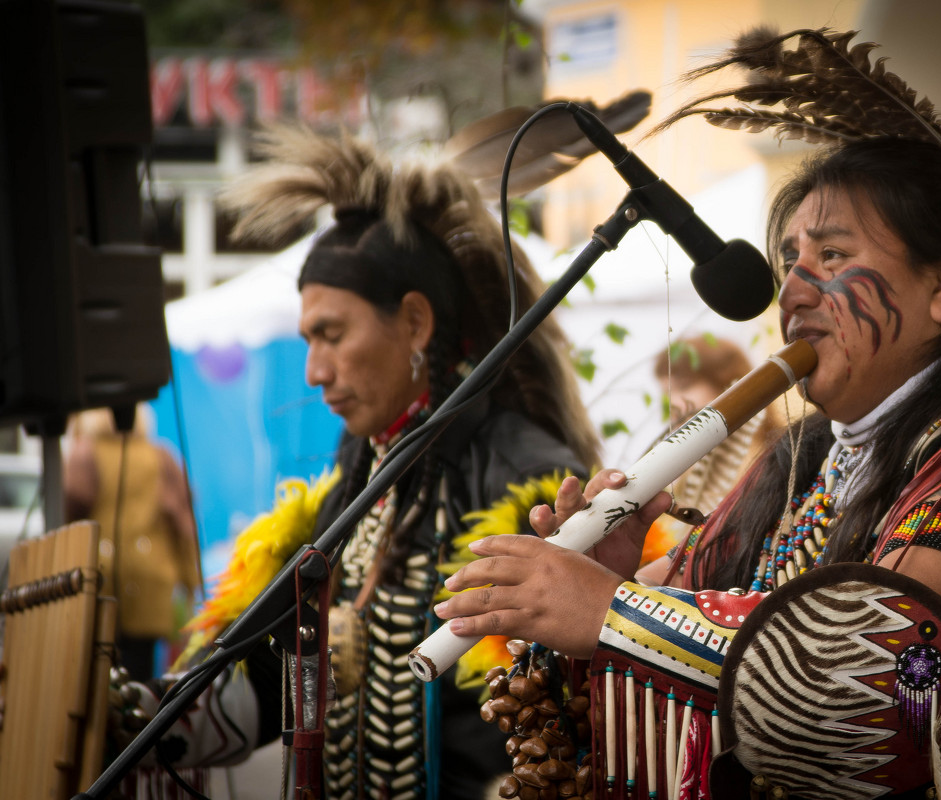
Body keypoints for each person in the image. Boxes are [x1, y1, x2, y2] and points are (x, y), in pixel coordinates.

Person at [435, 28, 941, 799]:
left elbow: (899, 681)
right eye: (792, 259)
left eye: (833, 257)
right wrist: (611, 575)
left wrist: (619, 614)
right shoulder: (809, 458)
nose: (792, 292)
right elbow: (686, 640)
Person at [120, 126, 601, 800]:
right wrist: (130, 718)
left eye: (333, 334)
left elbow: (569, 716)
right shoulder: (351, 489)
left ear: (414, 324)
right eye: (308, 338)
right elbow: (263, 679)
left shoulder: (524, 479)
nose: (315, 370)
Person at [63, 404, 200, 681]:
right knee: (140, 675)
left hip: (98, 578)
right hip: (150, 582)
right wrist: (191, 581)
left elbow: (68, 521)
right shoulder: (160, 457)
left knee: (95, 675)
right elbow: (183, 526)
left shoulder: (84, 454)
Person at [637, 336, 780, 583]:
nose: (675, 404)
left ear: (728, 385)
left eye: (683, 387)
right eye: (667, 393)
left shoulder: (770, 458)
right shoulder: (684, 466)